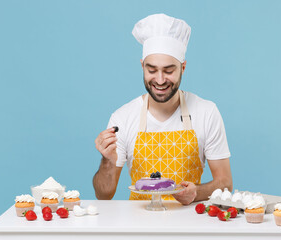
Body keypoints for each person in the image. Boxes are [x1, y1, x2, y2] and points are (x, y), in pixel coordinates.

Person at [93, 13, 232, 205]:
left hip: (190, 226)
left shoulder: (206, 112)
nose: (159, 80)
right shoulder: (123, 118)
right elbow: (103, 195)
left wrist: (197, 192)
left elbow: (225, 183)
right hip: (137, 226)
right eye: (151, 70)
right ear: (142, 66)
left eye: (169, 71)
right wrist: (107, 160)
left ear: (183, 68)